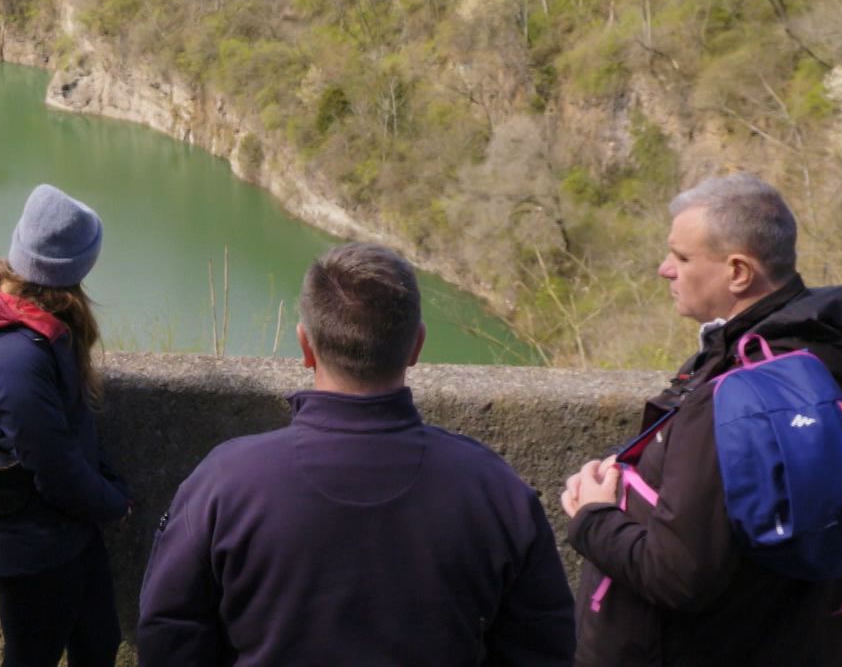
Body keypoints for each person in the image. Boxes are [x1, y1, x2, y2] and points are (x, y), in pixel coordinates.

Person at [137, 243, 575, 667]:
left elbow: (169, 634)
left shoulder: (224, 482)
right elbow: (542, 645)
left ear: (305, 346)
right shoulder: (494, 490)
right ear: (416, 346)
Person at [561, 173, 842, 666]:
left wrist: (592, 516)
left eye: (682, 258)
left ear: (737, 272)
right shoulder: (815, 361)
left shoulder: (732, 397)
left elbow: (676, 575)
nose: (665, 269)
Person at [0, 184, 131, 667]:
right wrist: (113, 502)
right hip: (36, 544)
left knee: (99, 642)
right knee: (31, 657)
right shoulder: (17, 358)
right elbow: (53, 463)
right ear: (75, 268)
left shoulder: (37, 325)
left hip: (66, 528)